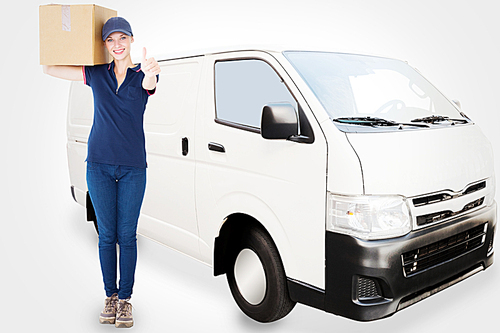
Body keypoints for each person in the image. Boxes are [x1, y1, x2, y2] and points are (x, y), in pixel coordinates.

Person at [43, 17, 161, 328]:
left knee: (128, 236)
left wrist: (150, 74)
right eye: (111, 40)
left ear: (132, 40)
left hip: (134, 168)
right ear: (105, 45)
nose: (117, 45)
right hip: (98, 166)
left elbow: (150, 85)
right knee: (107, 236)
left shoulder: (143, 76)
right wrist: (62, 38)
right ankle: (110, 296)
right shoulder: (96, 74)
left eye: (122, 38)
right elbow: (49, 69)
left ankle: (126, 300)